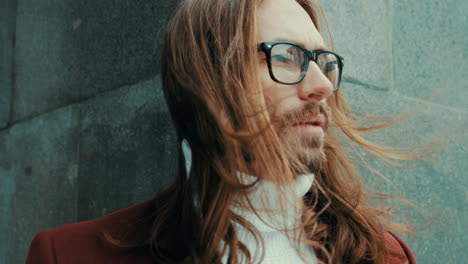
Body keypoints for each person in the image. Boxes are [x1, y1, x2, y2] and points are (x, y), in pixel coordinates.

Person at [26, 0, 419, 263]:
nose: (322, 85)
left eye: (322, 61)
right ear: (211, 77)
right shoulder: (71, 254)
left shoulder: (385, 256)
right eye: (287, 56)